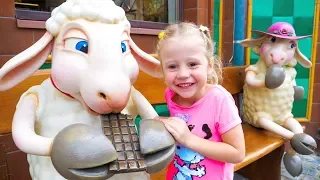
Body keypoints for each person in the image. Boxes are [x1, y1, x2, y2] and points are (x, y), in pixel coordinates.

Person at [155, 22, 245, 180]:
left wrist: (188, 139)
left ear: (209, 66)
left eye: (193, 64)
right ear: (163, 70)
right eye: (172, 66)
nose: (183, 74)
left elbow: (237, 153)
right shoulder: (171, 94)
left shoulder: (219, 100)